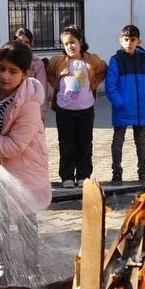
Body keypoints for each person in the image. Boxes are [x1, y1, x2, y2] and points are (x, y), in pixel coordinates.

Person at [0, 41, 51, 286]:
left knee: (25, 218)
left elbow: (14, 147)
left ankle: (31, 266)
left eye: (13, 71)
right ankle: (3, 265)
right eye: (2, 68)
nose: (5, 76)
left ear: (26, 74)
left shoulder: (30, 104)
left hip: (22, 166)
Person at [46, 24, 106, 188]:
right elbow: (49, 72)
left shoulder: (91, 60)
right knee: (66, 144)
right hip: (64, 111)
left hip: (86, 110)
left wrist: (93, 84)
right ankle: (67, 177)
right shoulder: (57, 61)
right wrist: (56, 87)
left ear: (80, 41)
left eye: (72, 42)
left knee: (85, 143)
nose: (69, 46)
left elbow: (103, 69)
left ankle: (83, 175)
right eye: (66, 44)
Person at [105, 24, 145, 184]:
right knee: (118, 141)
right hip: (123, 109)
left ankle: (142, 172)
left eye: (133, 40)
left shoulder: (143, 60)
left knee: (141, 141)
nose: (129, 43)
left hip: (141, 110)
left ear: (139, 41)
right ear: (120, 40)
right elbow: (110, 85)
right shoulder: (116, 60)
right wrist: (119, 102)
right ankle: (117, 172)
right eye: (126, 40)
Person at [14, 27, 50, 111]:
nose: (23, 45)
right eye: (19, 41)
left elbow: (42, 90)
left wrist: (41, 112)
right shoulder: (9, 61)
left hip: (30, 108)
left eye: (26, 42)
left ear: (31, 45)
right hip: (12, 106)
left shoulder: (38, 64)